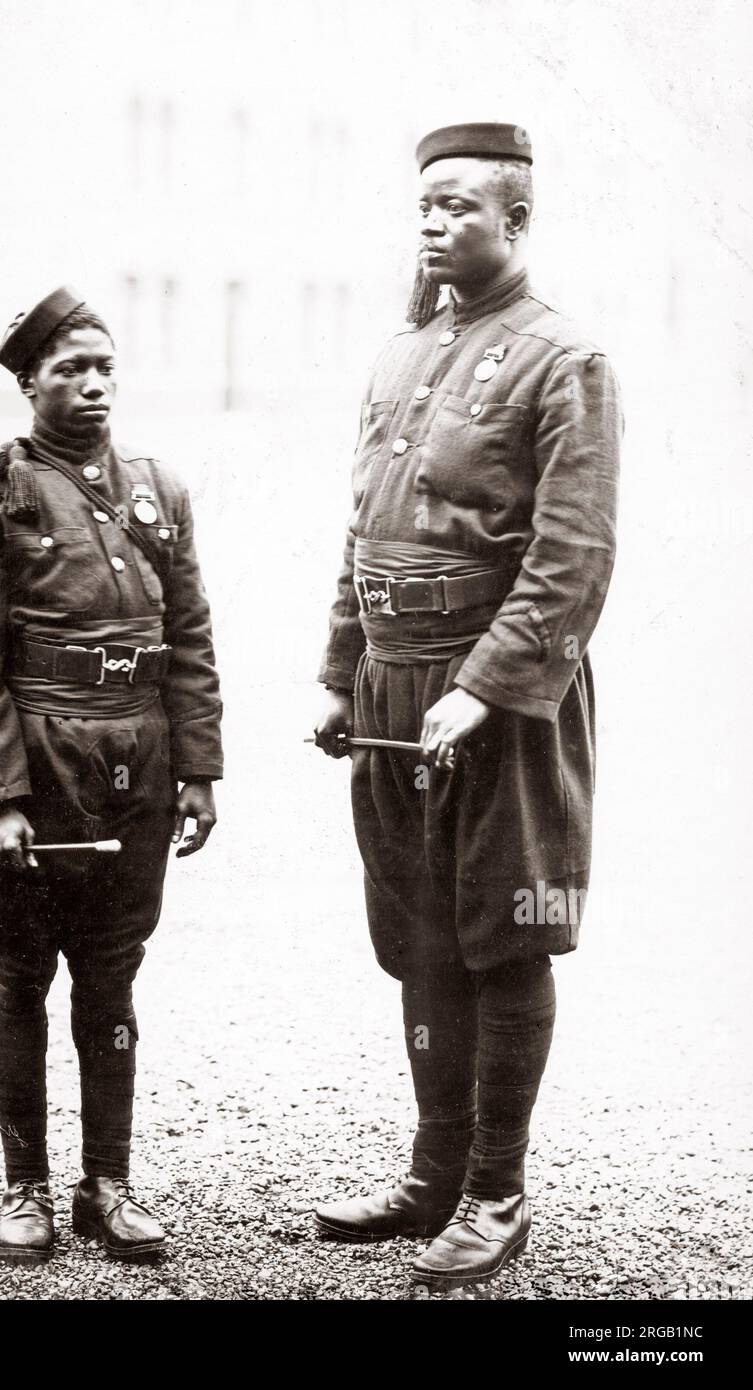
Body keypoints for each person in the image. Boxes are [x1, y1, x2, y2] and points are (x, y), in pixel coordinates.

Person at [313, 124, 621, 1290]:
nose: (434, 224)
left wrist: (487, 687)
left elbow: (573, 551)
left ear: (516, 222)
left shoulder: (564, 359)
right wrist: (343, 669)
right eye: (424, 207)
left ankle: (497, 1191)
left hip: (495, 696)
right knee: (420, 937)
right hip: (396, 684)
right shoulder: (401, 354)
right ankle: (433, 1174)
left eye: (458, 207)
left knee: (504, 937)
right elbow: (364, 529)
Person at [0, 287, 222, 1265]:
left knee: (111, 977)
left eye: (105, 367)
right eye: (70, 370)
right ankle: (26, 1186)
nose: (94, 386)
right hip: (36, 768)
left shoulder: (157, 486)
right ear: (27, 386)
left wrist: (199, 769)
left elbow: (188, 635)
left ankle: (109, 1183)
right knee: (20, 974)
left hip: (136, 766)